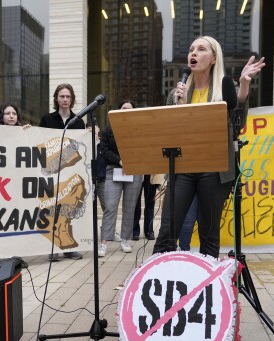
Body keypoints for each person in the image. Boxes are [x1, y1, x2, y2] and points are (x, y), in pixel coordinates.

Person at [152, 36, 265, 258]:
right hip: (182, 167)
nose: (193, 53)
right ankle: (158, 277)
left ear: (214, 58)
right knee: (168, 230)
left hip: (215, 169)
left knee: (209, 233)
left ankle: (208, 286)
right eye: (191, 49)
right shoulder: (178, 93)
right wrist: (179, 106)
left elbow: (238, 124)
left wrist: (243, 84)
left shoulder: (226, 87)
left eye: (201, 49)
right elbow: (169, 131)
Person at [39, 83, 85, 261]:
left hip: (71, 173)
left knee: (68, 209)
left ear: (72, 100)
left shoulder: (79, 121)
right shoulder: (46, 119)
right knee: (52, 209)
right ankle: (53, 248)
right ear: (56, 99)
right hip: (51, 173)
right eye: (61, 96)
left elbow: (82, 147)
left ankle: (68, 247)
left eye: (68, 97)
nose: (65, 100)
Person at [98, 100, 144, 257]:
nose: (126, 111)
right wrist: (120, 160)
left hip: (135, 170)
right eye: (123, 108)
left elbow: (143, 148)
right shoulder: (108, 130)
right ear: (118, 111)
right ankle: (104, 242)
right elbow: (104, 149)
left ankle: (125, 239)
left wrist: (131, 161)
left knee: (129, 207)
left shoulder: (139, 130)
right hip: (114, 170)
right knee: (110, 206)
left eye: (129, 109)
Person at [132, 175, 159, 241]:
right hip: (137, 173)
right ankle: (134, 231)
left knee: (150, 204)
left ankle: (149, 231)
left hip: (151, 174)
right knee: (136, 205)